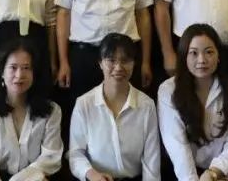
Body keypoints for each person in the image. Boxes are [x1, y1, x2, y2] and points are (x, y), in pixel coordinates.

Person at [158, 25, 228, 181]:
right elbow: (176, 143)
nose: (202, 60)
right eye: (194, 53)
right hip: (181, 173)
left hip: (220, 173)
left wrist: (213, 173)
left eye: (209, 52)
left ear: (219, 56)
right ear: (184, 56)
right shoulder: (168, 90)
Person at [67, 33, 161, 181]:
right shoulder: (84, 104)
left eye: (125, 60)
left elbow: (152, 163)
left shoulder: (146, 105)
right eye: (111, 60)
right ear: (100, 63)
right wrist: (92, 174)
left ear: (133, 63)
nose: (118, 67)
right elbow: (75, 154)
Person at [0, 39, 63, 181]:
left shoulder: (52, 111)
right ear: (2, 72)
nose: (19, 75)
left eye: (26, 68)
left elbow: (50, 158)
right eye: (13, 67)